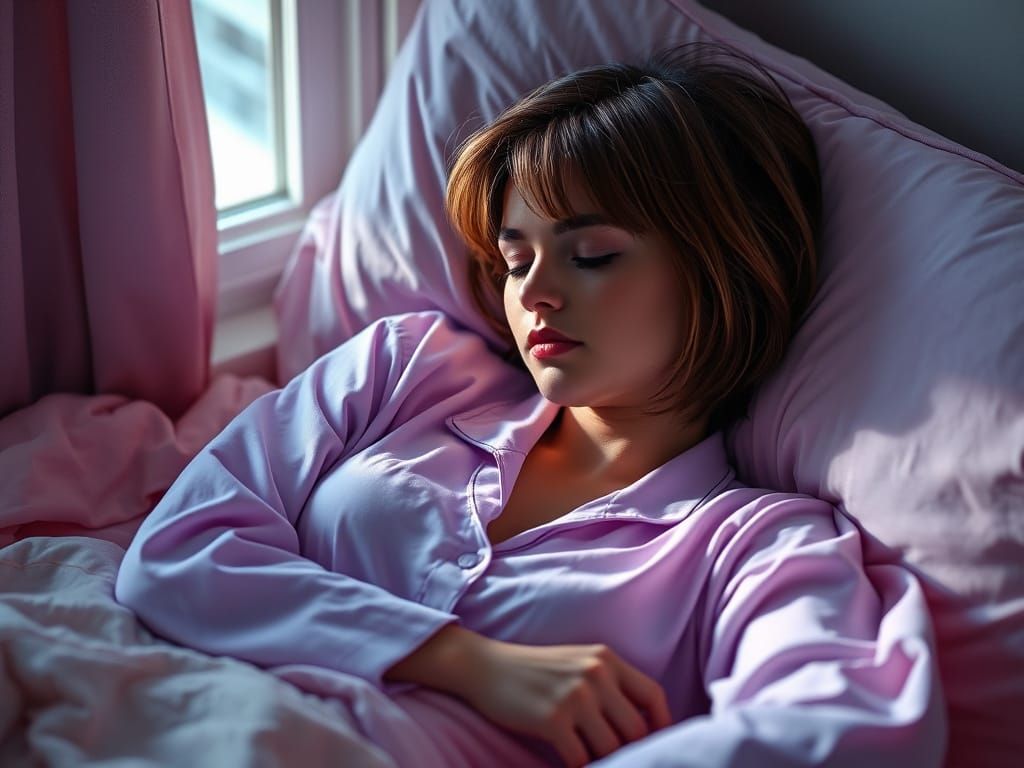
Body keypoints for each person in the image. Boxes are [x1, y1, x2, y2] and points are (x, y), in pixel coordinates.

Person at [116, 44, 945, 767]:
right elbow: (179, 551)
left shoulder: (754, 548)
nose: (534, 293)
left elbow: (837, 733)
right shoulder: (406, 367)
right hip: (157, 712)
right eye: (516, 261)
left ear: (720, 271)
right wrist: (463, 660)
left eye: (592, 255)